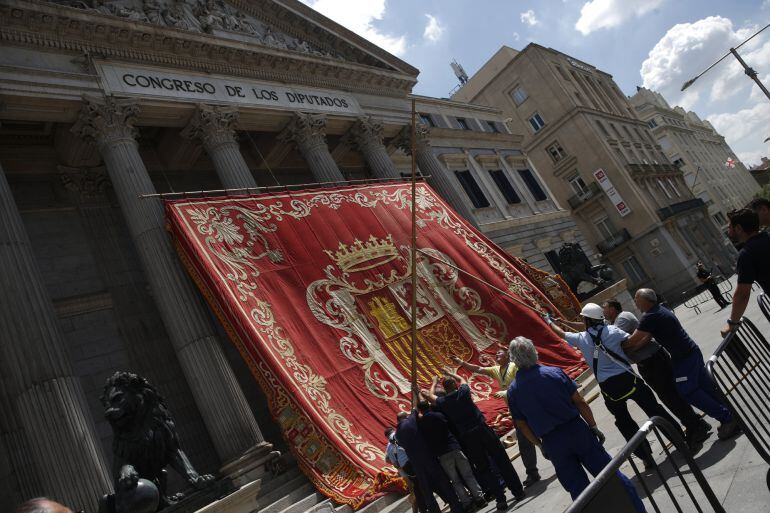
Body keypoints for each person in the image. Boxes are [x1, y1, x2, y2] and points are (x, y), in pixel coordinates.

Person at [506, 337, 647, 512]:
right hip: (576, 430)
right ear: (534, 352)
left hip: (552, 442)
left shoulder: (513, 392)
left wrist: (540, 445)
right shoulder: (554, 373)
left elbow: (522, 425)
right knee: (610, 475)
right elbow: (579, 402)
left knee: (579, 492)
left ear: (514, 359)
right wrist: (593, 426)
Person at [545, 302, 684, 470]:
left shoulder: (581, 338)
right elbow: (629, 341)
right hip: (628, 378)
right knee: (654, 409)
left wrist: (550, 323)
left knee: (624, 422)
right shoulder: (613, 331)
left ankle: (645, 456)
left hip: (609, 387)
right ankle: (678, 438)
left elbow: (561, 334)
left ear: (587, 321)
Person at [625, 289, 741, 441]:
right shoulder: (660, 309)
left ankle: (727, 418)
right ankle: (730, 416)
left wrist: (615, 344)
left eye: (636, 298)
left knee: (687, 391)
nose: (635, 301)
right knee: (705, 386)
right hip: (690, 352)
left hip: (684, 357)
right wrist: (633, 348)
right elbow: (647, 336)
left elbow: (633, 339)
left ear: (645, 300)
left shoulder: (650, 316)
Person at [602, 300, 711, 451]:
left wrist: (628, 350)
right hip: (648, 362)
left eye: (605, 308)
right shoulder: (614, 322)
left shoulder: (622, 319)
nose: (603, 310)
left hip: (653, 361)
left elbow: (615, 342)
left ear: (613, 309)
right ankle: (696, 423)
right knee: (670, 396)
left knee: (671, 397)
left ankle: (696, 427)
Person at [422, 372, 525, 510]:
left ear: (446, 389)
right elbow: (462, 379)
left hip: (468, 437)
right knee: (502, 460)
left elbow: (428, 395)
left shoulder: (443, 402)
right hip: (482, 429)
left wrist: (434, 382)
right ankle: (518, 491)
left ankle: (500, 499)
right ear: (454, 385)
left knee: (484, 468)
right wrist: (450, 373)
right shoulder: (463, 393)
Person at [451, 348, 541, 487]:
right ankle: (532, 472)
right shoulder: (497, 370)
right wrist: (461, 362)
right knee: (524, 443)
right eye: (496, 353)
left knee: (545, 433)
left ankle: (559, 455)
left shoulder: (514, 366)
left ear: (507, 355)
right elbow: (478, 368)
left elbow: (522, 383)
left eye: (499, 353)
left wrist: (505, 393)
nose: (496, 354)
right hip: (516, 412)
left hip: (528, 406)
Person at [416, 400, 487, 509]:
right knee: (468, 475)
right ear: (428, 406)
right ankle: (479, 498)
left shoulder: (420, 424)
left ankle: (466, 502)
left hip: (442, 454)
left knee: (455, 480)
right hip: (453, 447)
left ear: (420, 410)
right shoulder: (438, 415)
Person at [396, 410, 465, 513]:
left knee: (427, 491)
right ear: (405, 417)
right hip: (429, 459)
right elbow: (416, 410)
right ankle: (456, 506)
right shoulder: (410, 420)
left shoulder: (398, 434)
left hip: (417, 465)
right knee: (443, 483)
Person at [722, 208, 770, 337]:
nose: (728, 230)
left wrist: (731, 323)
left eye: (730, 227)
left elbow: (742, 294)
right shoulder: (768, 236)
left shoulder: (747, 254)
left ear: (738, 228)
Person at [385, 426, 426, 513]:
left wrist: (399, 464)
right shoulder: (399, 435)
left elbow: (389, 460)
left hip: (405, 470)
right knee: (418, 488)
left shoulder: (389, 446)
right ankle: (418, 509)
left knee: (415, 490)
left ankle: (419, 509)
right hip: (410, 466)